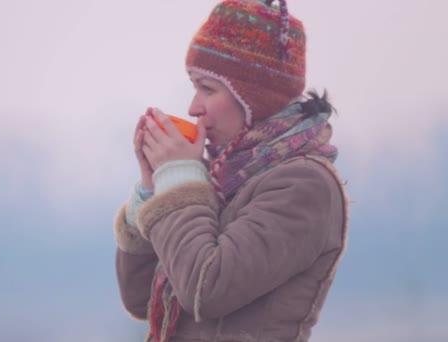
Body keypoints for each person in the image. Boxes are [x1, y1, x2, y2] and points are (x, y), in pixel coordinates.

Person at [113, 0, 349, 341]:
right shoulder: (219, 177)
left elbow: (206, 291)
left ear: (255, 99)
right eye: (194, 86)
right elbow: (142, 300)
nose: (194, 107)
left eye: (208, 88)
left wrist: (178, 181)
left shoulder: (305, 185)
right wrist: (153, 192)